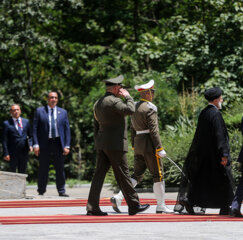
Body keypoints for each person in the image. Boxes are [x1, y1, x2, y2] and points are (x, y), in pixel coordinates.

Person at [86, 75, 150, 216]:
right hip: (115, 145)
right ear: (115, 88)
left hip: (102, 144)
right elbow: (130, 110)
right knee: (124, 175)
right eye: (120, 87)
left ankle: (92, 207)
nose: (121, 89)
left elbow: (95, 125)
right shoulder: (114, 101)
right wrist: (127, 96)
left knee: (98, 176)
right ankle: (134, 205)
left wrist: (98, 142)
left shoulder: (98, 102)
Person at [110, 79, 172, 214]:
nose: (153, 94)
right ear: (148, 93)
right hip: (149, 145)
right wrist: (159, 148)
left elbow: (132, 128)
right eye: (152, 91)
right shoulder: (150, 107)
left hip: (138, 143)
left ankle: (119, 197)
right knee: (158, 175)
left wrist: (134, 144)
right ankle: (161, 205)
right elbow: (154, 130)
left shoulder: (135, 107)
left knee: (137, 175)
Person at [174, 87, 234, 215]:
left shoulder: (204, 113)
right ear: (216, 100)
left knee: (203, 182)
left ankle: (190, 201)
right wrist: (224, 154)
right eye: (221, 98)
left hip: (204, 156)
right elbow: (220, 136)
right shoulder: (216, 114)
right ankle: (225, 206)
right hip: (216, 156)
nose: (222, 99)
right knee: (224, 180)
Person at [33, 92, 71, 197]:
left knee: (60, 168)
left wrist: (67, 145)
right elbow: (35, 129)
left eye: (55, 98)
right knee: (43, 168)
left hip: (58, 143)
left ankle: (61, 190)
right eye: (51, 97)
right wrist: (35, 144)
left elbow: (67, 130)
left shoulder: (63, 112)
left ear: (57, 99)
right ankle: (41, 191)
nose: (53, 99)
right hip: (44, 143)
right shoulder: (40, 111)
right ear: (47, 99)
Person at [2, 104, 33, 173]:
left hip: (24, 152)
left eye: (17, 110)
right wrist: (6, 153)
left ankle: (21, 184)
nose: (16, 112)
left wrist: (30, 145)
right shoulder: (6, 124)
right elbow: (4, 140)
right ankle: (12, 184)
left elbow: (30, 136)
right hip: (12, 153)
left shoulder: (26, 122)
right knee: (12, 172)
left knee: (22, 172)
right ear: (11, 112)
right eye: (14, 110)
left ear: (20, 111)